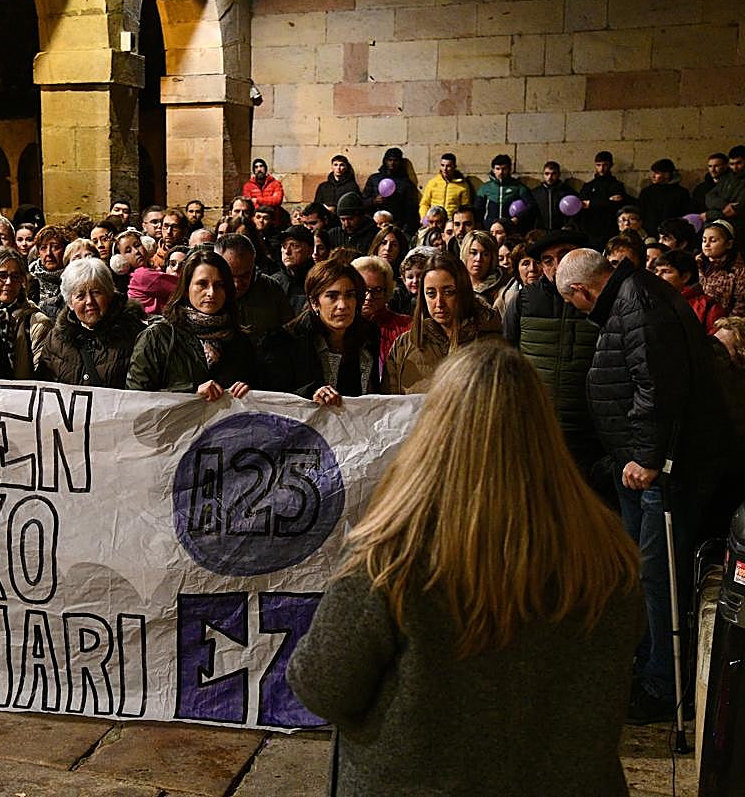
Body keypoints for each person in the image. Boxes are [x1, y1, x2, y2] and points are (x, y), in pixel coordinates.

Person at [288, 342, 643, 797]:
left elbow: (323, 686)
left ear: (435, 427)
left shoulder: (392, 554)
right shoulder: (608, 552)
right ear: (545, 428)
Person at [558, 249, 729, 722]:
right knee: (643, 569)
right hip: (637, 463)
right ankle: (649, 661)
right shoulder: (631, 296)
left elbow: (658, 386)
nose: (577, 310)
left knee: (658, 573)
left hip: (664, 469)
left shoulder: (639, 304)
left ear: (581, 290)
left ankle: (664, 683)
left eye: (573, 302)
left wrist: (648, 459)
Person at [502, 231, 602, 475]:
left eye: (564, 255)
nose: (557, 266)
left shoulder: (599, 301)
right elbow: (508, 356)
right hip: (535, 424)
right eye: (548, 261)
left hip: (588, 430)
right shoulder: (525, 300)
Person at [126, 250, 255, 400]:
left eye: (219, 285)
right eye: (202, 284)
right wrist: (191, 393)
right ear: (186, 289)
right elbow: (135, 399)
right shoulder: (157, 337)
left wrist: (248, 390)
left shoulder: (239, 339)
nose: (211, 293)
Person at [260, 254, 379, 402]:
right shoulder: (284, 341)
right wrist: (309, 393)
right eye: (332, 296)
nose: (342, 305)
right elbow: (273, 399)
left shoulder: (369, 334)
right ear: (314, 302)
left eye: (349, 295)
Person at [383, 251, 501, 394]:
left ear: (463, 291)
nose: (439, 303)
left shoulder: (491, 344)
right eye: (431, 294)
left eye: (448, 292)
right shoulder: (405, 345)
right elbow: (389, 402)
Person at [36, 258, 145, 389]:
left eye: (96, 292)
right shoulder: (56, 339)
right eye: (80, 296)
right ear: (70, 303)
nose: (89, 301)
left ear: (109, 293)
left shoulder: (135, 335)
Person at [0, 247, 50, 380]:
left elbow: (42, 376)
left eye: (15, 277)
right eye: (2, 275)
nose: (9, 282)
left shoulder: (38, 323)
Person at [215, 233, 292, 336]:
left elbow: (288, 330)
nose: (237, 284)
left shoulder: (271, 288)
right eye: (230, 276)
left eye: (244, 276)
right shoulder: (207, 292)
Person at [352, 255, 410, 374]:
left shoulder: (406, 326)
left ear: (387, 291)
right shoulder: (340, 327)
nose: (369, 297)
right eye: (363, 289)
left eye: (377, 290)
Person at [653, 249, 724, 335]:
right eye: (656, 271)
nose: (657, 276)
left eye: (666, 271)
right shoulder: (651, 300)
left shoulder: (709, 306)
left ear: (685, 277)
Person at [580, 151, 629, 248]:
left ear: (611, 165)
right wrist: (607, 201)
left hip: (610, 228)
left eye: (605, 165)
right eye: (598, 165)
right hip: (590, 230)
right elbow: (582, 204)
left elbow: (616, 206)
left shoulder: (616, 185)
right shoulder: (588, 186)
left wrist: (592, 204)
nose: (601, 168)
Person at [362, 147, 418, 229]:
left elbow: (410, 209)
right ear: (385, 161)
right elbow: (363, 202)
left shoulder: (405, 183)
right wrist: (374, 201)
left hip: (395, 224)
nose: (392, 163)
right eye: (390, 160)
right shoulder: (374, 179)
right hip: (374, 224)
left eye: (395, 160)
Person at [698, 219, 745, 317]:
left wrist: (728, 322)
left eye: (713, 240)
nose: (706, 245)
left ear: (728, 244)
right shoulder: (697, 263)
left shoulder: (738, 270)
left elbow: (741, 303)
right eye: (704, 240)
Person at [476, 154, 534, 229]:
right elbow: (477, 208)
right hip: (489, 227)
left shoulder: (518, 187)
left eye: (504, 169)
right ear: (493, 170)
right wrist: (482, 224)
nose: (501, 172)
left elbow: (531, 205)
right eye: (497, 169)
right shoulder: (485, 188)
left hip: (510, 227)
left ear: (509, 169)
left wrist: (517, 218)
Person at [638, 158, 690, 236]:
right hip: (649, 234)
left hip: (672, 234)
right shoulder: (646, 192)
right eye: (652, 172)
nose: (653, 176)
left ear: (667, 174)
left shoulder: (681, 193)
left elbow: (683, 215)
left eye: (657, 173)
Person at [270, 225, 316, 314]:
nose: (287, 251)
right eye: (284, 246)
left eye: (294, 246)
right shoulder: (274, 282)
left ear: (310, 251)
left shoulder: (320, 280)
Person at [28, 225, 67, 319]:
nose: (48, 253)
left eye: (55, 247)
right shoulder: (28, 280)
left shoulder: (73, 279)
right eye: (43, 248)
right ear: (38, 253)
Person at [418, 152, 471, 220]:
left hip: (451, 221)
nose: (444, 169)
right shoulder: (433, 183)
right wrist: (424, 220)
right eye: (442, 165)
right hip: (434, 220)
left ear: (454, 167)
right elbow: (424, 204)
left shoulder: (462, 185)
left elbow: (465, 208)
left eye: (448, 166)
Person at [705, 145, 745, 232]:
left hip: (739, 228)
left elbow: (737, 209)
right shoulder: (726, 178)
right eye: (732, 164)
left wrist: (708, 215)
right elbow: (709, 197)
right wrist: (725, 205)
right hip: (721, 225)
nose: (735, 167)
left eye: (739, 163)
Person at [461, 230, 504, 305]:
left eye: (485, 254)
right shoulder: (455, 284)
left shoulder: (501, 291)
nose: (478, 259)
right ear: (465, 254)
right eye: (473, 253)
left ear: (492, 258)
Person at [532, 161, 573, 231]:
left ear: (559, 175)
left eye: (553, 174)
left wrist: (569, 225)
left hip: (561, 230)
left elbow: (575, 210)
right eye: (547, 174)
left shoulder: (567, 191)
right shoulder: (535, 193)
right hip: (541, 231)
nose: (550, 177)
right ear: (543, 174)